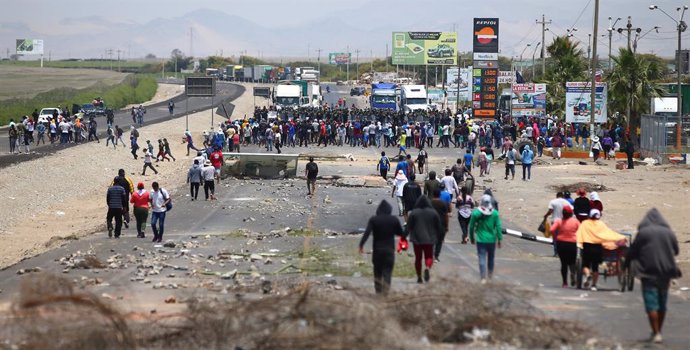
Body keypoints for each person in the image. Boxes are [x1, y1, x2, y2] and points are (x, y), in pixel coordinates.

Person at [626, 208, 682, 344]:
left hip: (648, 272)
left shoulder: (644, 233)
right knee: (662, 303)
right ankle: (658, 332)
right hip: (665, 272)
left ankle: (656, 332)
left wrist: (626, 264)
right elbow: (676, 251)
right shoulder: (668, 232)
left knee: (651, 303)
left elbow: (633, 251)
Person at [358, 200, 405, 295]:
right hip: (389, 251)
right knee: (387, 272)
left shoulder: (374, 219)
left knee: (377, 272)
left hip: (377, 250)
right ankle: (385, 293)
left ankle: (378, 291)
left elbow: (367, 233)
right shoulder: (394, 220)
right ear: (389, 210)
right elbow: (400, 233)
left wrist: (361, 245)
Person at [575, 209, 626, 291]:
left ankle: (588, 274)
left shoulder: (585, 224)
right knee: (595, 267)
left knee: (585, 265)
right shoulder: (601, 224)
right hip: (598, 248)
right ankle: (594, 286)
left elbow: (579, 234)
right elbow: (608, 233)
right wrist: (620, 238)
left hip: (587, 247)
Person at [406, 196, 443, 284]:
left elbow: (408, 227)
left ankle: (419, 277)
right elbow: (439, 227)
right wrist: (439, 237)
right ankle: (427, 267)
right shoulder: (433, 213)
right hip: (429, 239)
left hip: (417, 239)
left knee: (418, 258)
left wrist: (403, 236)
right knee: (429, 256)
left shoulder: (414, 213)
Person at [469, 194, 503, 283]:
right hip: (492, 239)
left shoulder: (476, 213)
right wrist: (499, 239)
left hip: (480, 239)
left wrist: (472, 238)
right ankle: (490, 275)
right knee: (491, 257)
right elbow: (498, 227)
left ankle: (483, 277)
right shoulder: (495, 213)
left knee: (482, 257)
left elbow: (471, 227)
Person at [549, 206, 580, 288]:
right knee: (572, 262)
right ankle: (573, 274)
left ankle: (565, 283)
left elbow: (551, 230)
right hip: (572, 244)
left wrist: (556, 236)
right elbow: (581, 230)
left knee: (564, 264)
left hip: (561, 243)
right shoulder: (575, 222)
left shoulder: (559, 221)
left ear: (563, 213)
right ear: (571, 213)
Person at [430, 189, 450, 262]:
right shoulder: (444, 203)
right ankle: (436, 256)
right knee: (439, 241)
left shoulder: (429, 202)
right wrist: (447, 226)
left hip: (431, 224)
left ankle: (430, 255)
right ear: (439, 195)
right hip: (441, 224)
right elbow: (446, 215)